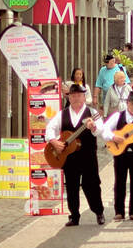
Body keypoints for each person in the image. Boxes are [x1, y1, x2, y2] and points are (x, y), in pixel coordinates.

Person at [45, 83, 106, 226]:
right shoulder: (62, 114)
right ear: (69, 98)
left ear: (84, 97)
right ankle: (74, 215)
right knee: (72, 186)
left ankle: (98, 211)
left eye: (79, 95)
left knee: (92, 184)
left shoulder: (92, 113)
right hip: (70, 157)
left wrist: (94, 127)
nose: (76, 98)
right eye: (73, 96)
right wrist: (54, 141)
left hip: (88, 156)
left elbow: (100, 131)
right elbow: (50, 128)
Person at [101, 92, 133, 220]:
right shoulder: (118, 116)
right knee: (120, 182)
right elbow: (104, 129)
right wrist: (113, 137)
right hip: (120, 152)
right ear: (127, 103)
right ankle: (119, 211)